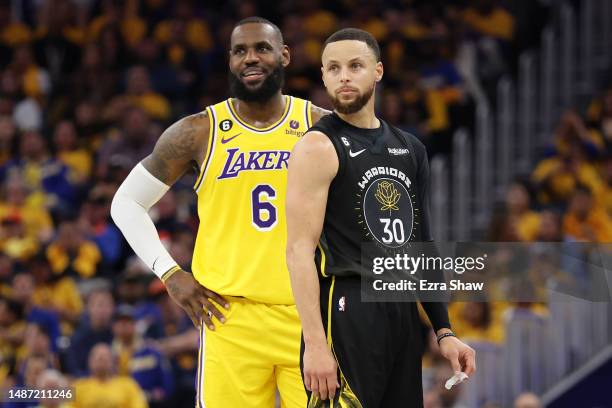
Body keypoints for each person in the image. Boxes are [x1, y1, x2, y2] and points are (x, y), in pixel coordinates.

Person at [111, 16, 329, 408]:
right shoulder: (199, 131)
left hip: (310, 318)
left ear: (285, 55)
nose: (251, 58)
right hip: (230, 318)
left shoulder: (320, 125)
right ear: (229, 60)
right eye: (240, 51)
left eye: (262, 48)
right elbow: (125, 203)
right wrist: (170, 272)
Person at [286, 28, 476, 407]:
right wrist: (315, 345)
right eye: (333, 68)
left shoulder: (410, 148)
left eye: (355, 66)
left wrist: (443, 330)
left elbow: (422, 244)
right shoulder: (317, 146)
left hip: (402, 310)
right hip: (347, 306)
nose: (344, 76)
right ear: (322, 76)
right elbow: (298, 250)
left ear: (378, 71)